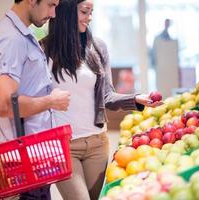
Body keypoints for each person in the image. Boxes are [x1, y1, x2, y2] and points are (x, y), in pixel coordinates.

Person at [42, 0, 162, 199]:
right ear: (67, 11)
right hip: (62, 146)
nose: (89, 17)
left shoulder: (97, 47)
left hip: (97, 143)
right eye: (84, 11)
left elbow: (107, 96)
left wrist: (136, 99)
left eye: (91, 12)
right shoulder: (42, 49)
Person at [0, 0, 70, 199]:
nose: (54, 14)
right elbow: (4, 105)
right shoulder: (10, 39)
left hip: (33, 160)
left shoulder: (23, 34)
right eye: (50, 4)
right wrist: (51, 101)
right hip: (20, 166)